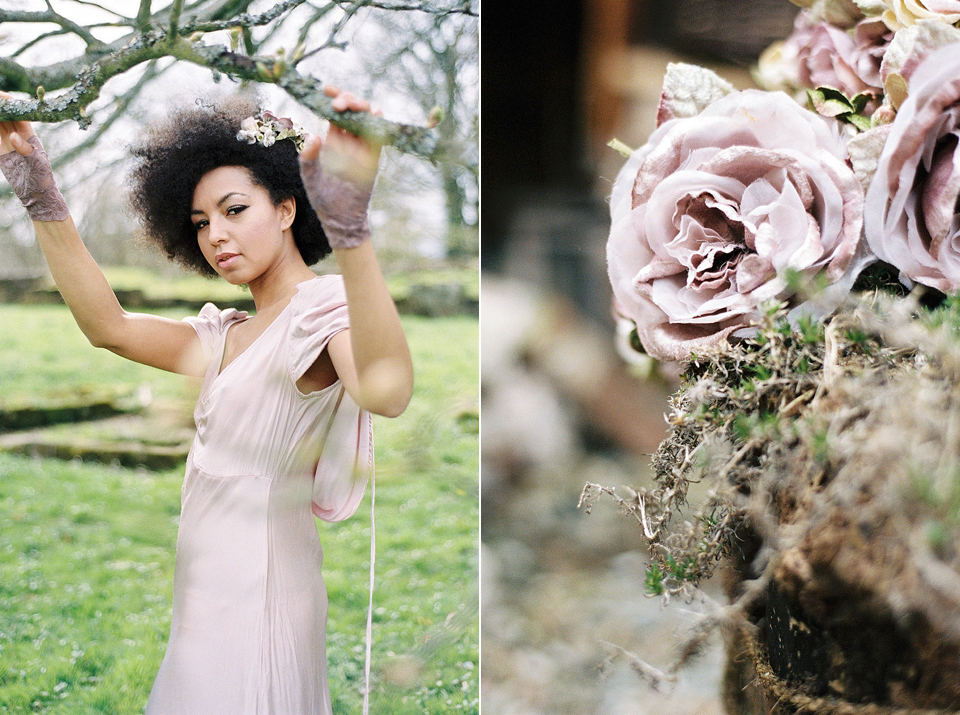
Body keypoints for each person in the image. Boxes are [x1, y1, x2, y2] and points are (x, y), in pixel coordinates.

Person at [0, 87, 413, 714]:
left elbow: (388, 391)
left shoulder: (321, 316)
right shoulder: (225, 334)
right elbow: (107, 327)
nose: (215, 235)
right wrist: (41, 196)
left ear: (285, 208)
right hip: (204, 586)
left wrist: (352, 228)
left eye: (233, 209)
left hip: (264, 586)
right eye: (200, 223)